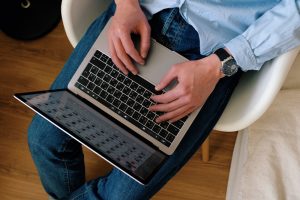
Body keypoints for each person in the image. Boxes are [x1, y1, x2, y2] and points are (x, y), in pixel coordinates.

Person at [28, 0, 300, 199]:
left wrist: (218, 66)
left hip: (212, 55)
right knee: (43, 139)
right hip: (136, 14)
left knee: (120, 197)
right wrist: (124, 5)